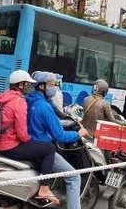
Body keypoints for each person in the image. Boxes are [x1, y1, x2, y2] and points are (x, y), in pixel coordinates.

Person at [0, 70, 58, 204]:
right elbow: (22, 134)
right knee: (49, 149)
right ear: (20, 85)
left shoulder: (3, 97)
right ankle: (44, 188)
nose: (28, 87)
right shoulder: (19, 102)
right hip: (8, 146)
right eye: (26, 84)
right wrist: (29, 140)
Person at [26, 71, 88, 209]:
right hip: (41, 147)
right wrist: (79, 133)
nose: (54, 87)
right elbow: (59, 136)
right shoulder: (44, 107)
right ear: (41, 87)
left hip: (26, 145)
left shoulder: (27, 100)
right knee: (74, 177)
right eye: (52, 85)